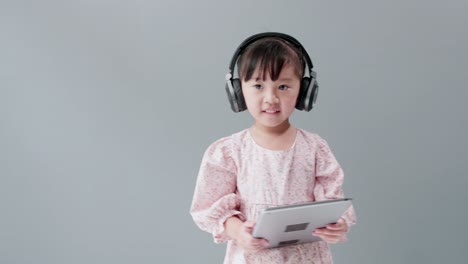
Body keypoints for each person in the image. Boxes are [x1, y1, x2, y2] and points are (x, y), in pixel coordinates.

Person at [190, 32, 356, 264]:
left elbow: (332, 201)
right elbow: (208, 208)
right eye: (258, 85)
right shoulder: (228, 152)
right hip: (253, 258)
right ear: (238, 92)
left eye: (284, 86)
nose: (271, 98)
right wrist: (238, 231)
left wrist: (337, 225)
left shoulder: (315, 148)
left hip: (307, 258)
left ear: (304, 91)